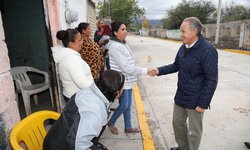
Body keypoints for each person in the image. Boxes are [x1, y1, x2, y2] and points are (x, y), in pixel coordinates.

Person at [148, 17, 218, 150]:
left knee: (194, 131)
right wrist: (158, 70)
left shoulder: (207, 50)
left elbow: (212, 79)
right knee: (177, 123)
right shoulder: (184, 47)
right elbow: (176, 65)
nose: (181, 35)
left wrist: (203, 103)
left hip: (196, 99)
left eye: (183, 31)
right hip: (181, 95)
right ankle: (183, 147)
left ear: (194, 31)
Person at [43, 70, 125, 150]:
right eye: (123, 88)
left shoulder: (88, 91)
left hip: (55, 141)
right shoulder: (94, 112)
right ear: (117, 93)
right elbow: (78, 145)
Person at [106, 21, 151, 135]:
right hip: (122, 81)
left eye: (125, 29)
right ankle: (111, 121)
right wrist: (146, 71)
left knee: (127, 105)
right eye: (122, 29)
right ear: (115, 32)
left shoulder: (122, 43)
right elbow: (126, 68)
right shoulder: (116, 46)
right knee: (124, 105)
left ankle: (128, 127)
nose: (125, 31)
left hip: (128, 80)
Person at [52, 29, 94, 101]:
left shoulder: (69, 56)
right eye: (80, 39)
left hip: (75, 96)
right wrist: (97, 89)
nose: (82, 41)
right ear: (71, 44)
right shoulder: (71, 59)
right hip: (77, 98)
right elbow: (83, 83)